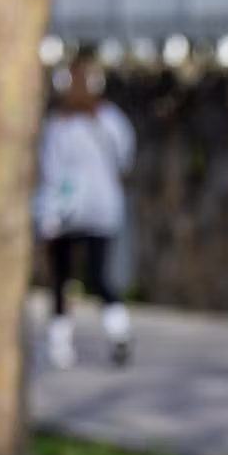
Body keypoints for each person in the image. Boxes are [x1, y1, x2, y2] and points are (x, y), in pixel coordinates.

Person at [33, 54, 137, 369]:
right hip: (101, 208)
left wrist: (49, 212)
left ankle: (61, 344)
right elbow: (125, 158)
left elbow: (51, 172)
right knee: (96, 275)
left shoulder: (61, 126)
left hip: (70, 211)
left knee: (63, 277)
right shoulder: (109, 120)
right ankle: (116, 332)